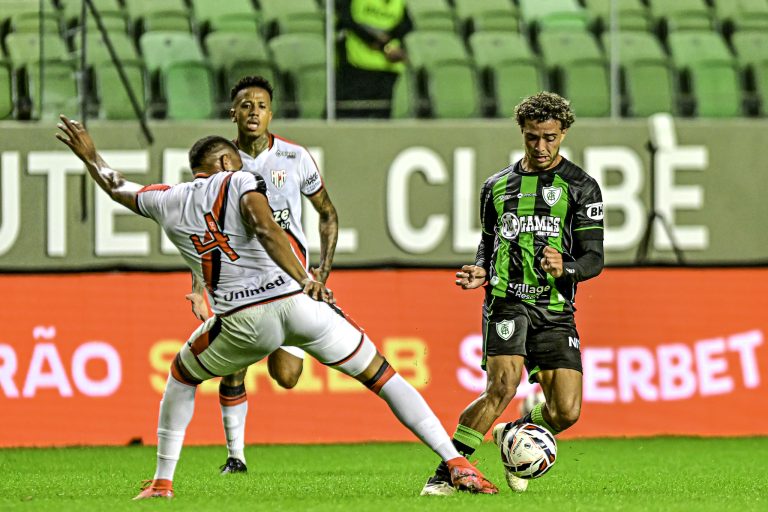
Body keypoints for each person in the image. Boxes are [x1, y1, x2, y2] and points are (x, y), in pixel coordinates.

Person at [55, 116, 499, 499]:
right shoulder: (241, 180)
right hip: (297, 304)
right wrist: (306, 278)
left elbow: (115, 186)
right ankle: (455, 461)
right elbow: (266, 227)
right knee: (382, 375)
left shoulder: (164, 199)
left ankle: (162, 481)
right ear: (228, 162)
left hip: (243, 323)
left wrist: (90, 154)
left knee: (182, 375)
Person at [420, 92, 605, 496]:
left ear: (564, 133)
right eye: (533, 138)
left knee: (566, 412)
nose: (542, 147)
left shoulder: (581, 187)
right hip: (507, 301)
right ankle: (447, 471)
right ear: (522, 133)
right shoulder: (496, 187)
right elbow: (489, 242)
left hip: (555, 308)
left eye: (550, 138)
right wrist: (480, 270)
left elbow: (594, 259)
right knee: (502, 385)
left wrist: (566, 267)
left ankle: (515, 430)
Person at [185, 75, 340, 475]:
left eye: (262, 106)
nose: (254, 112)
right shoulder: (219, 164)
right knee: (234, 363)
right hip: (242, 280)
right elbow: (200, 229)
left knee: (287, 376)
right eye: (246, 105)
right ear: (232, 112)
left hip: (291, 279)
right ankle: (235, 457)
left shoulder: (294, 157)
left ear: (271, 113)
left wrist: (322, 268)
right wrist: (198, 286)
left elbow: (327, 213)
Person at [336, 0, 412, 118]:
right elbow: (346, 19)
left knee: (382, 121)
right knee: (353, 118)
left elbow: (406, 26)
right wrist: (382, 45)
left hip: (388, 70)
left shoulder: (400, 2)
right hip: (359, 68)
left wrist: (396, 48)